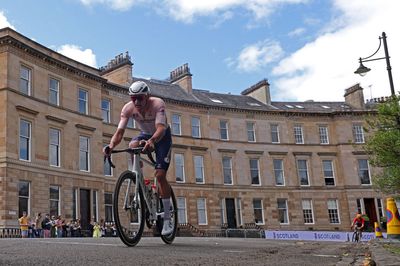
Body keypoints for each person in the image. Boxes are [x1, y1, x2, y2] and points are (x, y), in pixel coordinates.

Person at [103, 80, 173, 235]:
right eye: (133, 98)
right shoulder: (128, 108)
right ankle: (137, 176)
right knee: (132, 146)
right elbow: (119, 133)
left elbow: (161, 128)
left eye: (140, 98)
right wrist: (111, 146)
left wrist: (152, 141)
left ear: (147, 96)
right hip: (145, 135)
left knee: (160, 175)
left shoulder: (157, 104)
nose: (136, 102)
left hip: (161, 137)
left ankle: (167, 220)